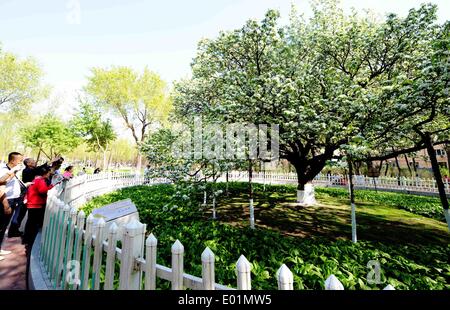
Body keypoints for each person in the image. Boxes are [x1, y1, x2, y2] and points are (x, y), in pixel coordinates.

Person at [23, 166, 62, 252]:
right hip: (36, 204)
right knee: (33, 224)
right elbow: (43, 191)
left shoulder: (36, 179)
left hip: (33, 203)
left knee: (30, 222)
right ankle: (29, 241)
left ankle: (26, 239)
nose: (50, 174)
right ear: (45, 173)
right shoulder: (40, 181)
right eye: (49, 172)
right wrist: (52, 184)